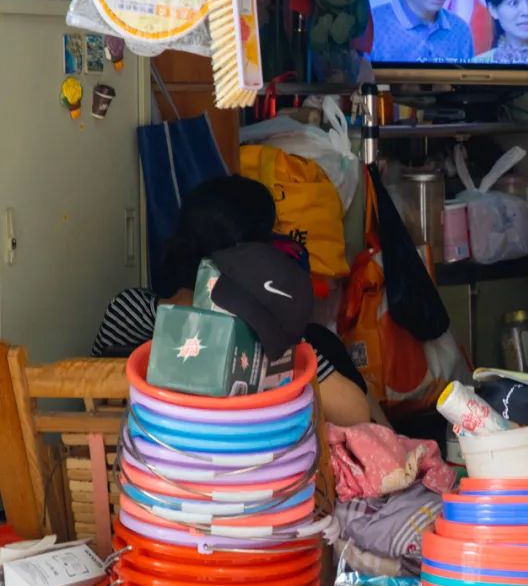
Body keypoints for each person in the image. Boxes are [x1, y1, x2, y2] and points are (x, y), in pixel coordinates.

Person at [93, 174, 375, 428]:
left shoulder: (125, 310)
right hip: (241, 476)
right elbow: (357, 413)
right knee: (321, 340)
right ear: (251, 255)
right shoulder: (260, 337)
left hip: (135, 470)